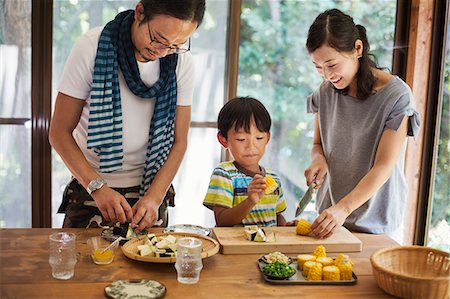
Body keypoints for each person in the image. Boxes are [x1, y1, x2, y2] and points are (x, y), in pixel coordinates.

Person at [49, 0, 206, 232]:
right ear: (140, 12)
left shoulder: (180, 63)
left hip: (150, 189)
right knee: (86, 266)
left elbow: (179, 141)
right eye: (157, 39)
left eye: (177, 45)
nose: (162, 52)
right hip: (91, 184)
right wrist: (98, 188)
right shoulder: (92, 47)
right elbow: (59, 133)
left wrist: (155, 197)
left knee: (151, 265)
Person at [304, 9, 420, 243]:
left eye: (332, 65)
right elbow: (318, 143)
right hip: (330, 220)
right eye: (318, 67)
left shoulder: (396, 96)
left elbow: (384, 166)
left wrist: (343, 208)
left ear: (358, 49)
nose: (327, 76)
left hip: (375, 224)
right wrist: (318, 158)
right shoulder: (325, 92)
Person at [203, 97, 288, 227]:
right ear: (223, 140)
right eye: (241, 139)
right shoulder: (224, 174)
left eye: (259, 138)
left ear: (267, 138)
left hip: (268, 247)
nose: (251, 146)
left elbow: (277, 215)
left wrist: (288, 227)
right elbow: (221, 220)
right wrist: (250, 201)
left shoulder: (273, 178)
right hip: (235, 246)